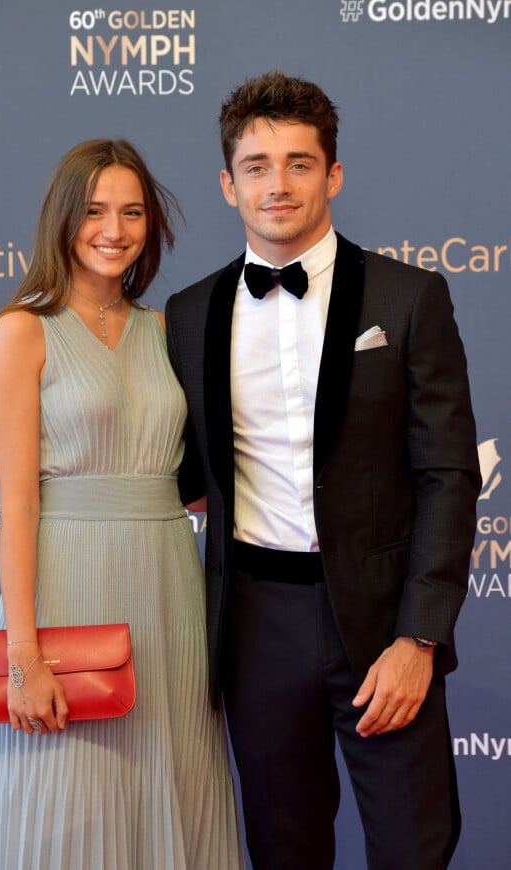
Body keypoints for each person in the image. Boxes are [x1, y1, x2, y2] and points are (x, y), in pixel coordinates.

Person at [165, 71, 481, 870]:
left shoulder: (411, 298)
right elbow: (175, 467)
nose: (279, 184)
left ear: (332, 175)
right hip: (254, 622)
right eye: (258, 165)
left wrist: (419, 636)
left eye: (300, 163)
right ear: (228, 183)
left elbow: (448, 474)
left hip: (382, 623)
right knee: (283, 848)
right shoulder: (188, 312)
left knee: (415, 847)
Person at [0, 139, 245, 870]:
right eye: (93, 211)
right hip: (67, 589)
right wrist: (24, 655)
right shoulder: (23, 331)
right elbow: (18, 506)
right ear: (62, 218)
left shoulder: (166, 331)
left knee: (175, 789)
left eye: (131, 212)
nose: (113, 229)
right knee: (66, 806)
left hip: (169, 593)